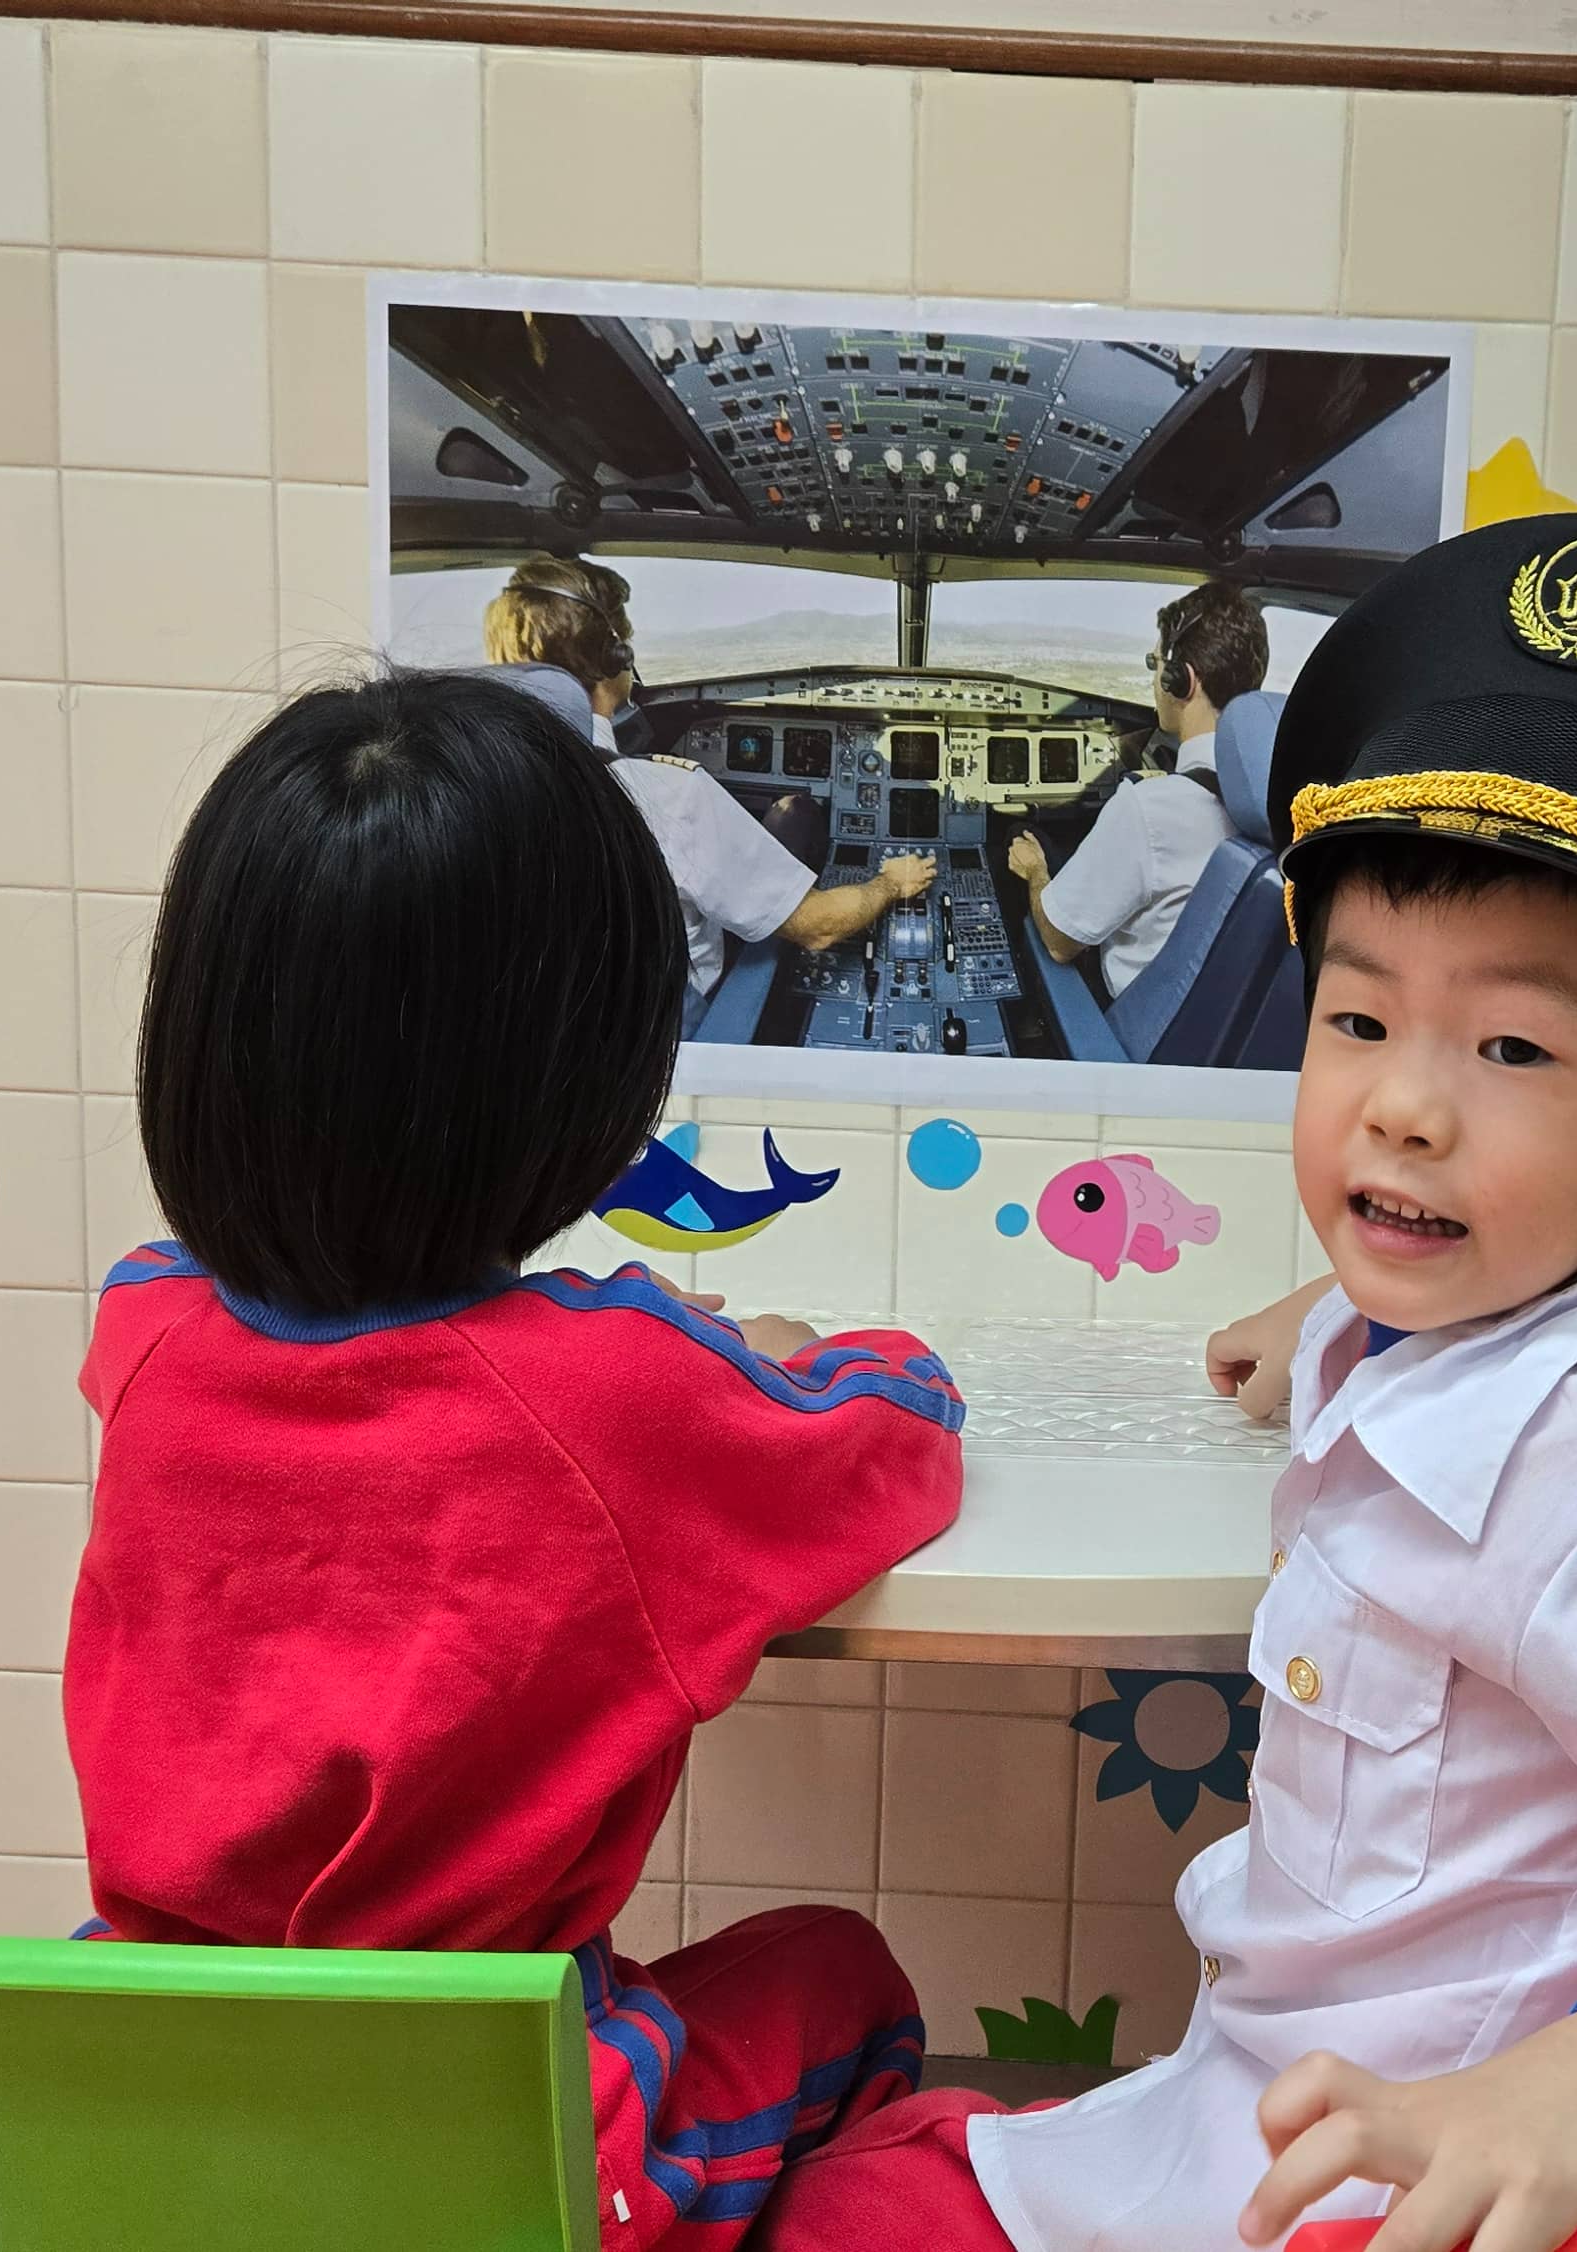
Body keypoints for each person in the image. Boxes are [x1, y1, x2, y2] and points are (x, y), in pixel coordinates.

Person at [758, 519, 1577, 2252]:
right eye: (1357, 1023)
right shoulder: (1498, 1317)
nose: (1403, 1109)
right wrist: (1349, 1306)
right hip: (1260, 2102)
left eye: (1511, 1047)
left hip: (1401, 2184)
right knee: (872, 2164)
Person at [65, 671, 968, 2250]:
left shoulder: (140, 1328)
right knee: (846, 1977)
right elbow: (901, 1436)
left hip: (149, 2094)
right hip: (501, 2134)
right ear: (579, 1071)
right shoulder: (618, 1391)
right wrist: (764, 1353)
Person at [485, 561, 935, 1001]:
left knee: (791, 818)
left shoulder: (474, 781)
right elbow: (818, 926)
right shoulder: (665, 795)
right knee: (797, 816)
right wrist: (890, 883)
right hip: (670, 1015)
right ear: (613, 656)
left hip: (541, 1009)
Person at [1000, 579, 1267, 996]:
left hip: (1123, 1016)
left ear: (1181, 680)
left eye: (1155, 663)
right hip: (1210, 1008)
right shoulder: (1283, 798)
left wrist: (1036, 873)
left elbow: (1058, 942)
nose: (1155, 678)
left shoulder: (1150, 808)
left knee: (1020, 836)